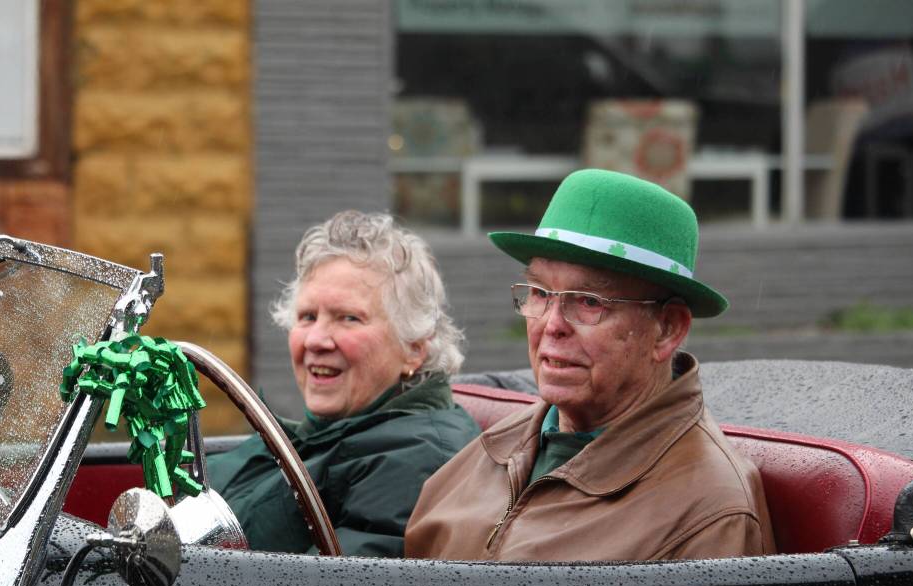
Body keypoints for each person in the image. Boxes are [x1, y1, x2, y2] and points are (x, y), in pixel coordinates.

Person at [405, 169, 776, 562]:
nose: (551, 325)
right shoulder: (494, 449)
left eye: (589, 302)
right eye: (540, 293)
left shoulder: (711, 512)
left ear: (667, 329)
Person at [208, 211, 480, 557]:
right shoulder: (323, 435)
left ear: (414, 348)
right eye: (307, 316)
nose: (316, 340)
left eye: (348, 318)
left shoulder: (417, 461)